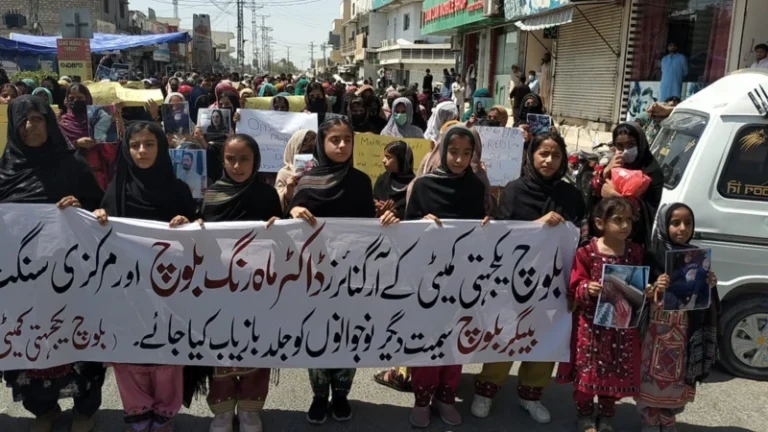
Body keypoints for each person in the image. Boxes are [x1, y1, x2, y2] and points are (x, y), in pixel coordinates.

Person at [0, 96, 105, 432]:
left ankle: (85, 411)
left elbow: (99, 207)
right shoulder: (6, 169)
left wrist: (82, 205)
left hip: (71, 277)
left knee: (79, 343)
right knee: (30, 342)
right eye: (23, 121)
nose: (31, 127)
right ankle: (43, 410)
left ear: (49, 121)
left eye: (38, 119)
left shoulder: (72, 164)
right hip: (24, 284)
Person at [287, 118, 397, 425]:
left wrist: (386, 216)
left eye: (347, 139)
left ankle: (341, 395)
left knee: (348, 334)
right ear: (322, 143)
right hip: (315, 275)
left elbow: (367, 227)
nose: (341, 145)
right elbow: (289, 230)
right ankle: (319, 396)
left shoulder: (361, 181)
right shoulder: (307, 182)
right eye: (334, 139)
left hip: (352, 274)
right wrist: (293, 209)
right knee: (318, 333)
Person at [472, 133, 585, 423]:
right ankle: (486, 391)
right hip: (514, 283)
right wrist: (539, 224)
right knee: (505, 335)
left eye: (556, 155)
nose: (548, 160)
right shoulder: (514, 191)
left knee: (544, 339)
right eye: (543, 154)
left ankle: (530, 396)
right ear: (531, 156)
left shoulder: (571, 195)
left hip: (554, 286)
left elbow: (582, 238)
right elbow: (504, 236)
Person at [93, 121, 196, 432]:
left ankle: (165, 414)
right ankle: (137, 414)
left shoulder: (178, 191)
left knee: (166, 355)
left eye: (149, 144)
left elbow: (195, 242)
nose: (141, 151)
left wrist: (186, 223)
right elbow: (101, 239)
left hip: (168, 291)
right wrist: (95, 218)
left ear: (161, 148)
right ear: (126, 149)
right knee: (130, 356)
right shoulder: (116, 190)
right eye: (135, 145)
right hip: (127, 290)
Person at [192, 134, 282, 432]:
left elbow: (282, 244)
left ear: (256, 161)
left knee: (255, 346)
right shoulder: (212, 195)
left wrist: (277, 228)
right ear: (222, 160)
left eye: (245, 159)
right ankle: (221, 410)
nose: (237, 165)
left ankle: (249, 410)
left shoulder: (268, 196)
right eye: (231, 158)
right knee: (220, 350)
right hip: (219, 290)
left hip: (258, 289)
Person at [405, 125, 490, 428]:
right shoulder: (425, 185)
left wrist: (487, 226)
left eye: (466, 153)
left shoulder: (477, 188)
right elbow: (408, 226)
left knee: (456, 338)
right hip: (429, 279)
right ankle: (422, 399)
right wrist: (421, 221)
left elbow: (483, 230)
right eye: (453, 152)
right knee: (427, 338)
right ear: (442, 151)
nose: (458, 159)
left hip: (463, 279)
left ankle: (446, 396)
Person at [557, 197, 650, 432]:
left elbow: (638, 285)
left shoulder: (636, 252)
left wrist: (646, 289)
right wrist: (587, 288)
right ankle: (586, 416)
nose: (625, 226)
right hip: (591, 327)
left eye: (629, 220)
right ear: (600, 222)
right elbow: (574, 285)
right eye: (618, 220)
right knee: (588, 373)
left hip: (622, 328)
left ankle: (607, 416)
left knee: (615, 374)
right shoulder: (587, 252)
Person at [636, 203, 719, 432]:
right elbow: (638, 292)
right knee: (650, 376)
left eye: (688, 223)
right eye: (675, 223)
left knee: (678, 377)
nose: (682, 228)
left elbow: (704, 301)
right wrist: (655, 288)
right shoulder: (652, 255)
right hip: (655, 334)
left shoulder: (696, 256)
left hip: (684, 333)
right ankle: (650, 419)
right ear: (664, 225)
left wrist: (710, 285)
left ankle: (668, 417)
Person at [590, 122, 663, 247]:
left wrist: (614, 195)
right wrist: (604, 173)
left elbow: (650, 210)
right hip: (607, 239)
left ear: (641, 144)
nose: (625, 151)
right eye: (620, 146)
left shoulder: (652, 171)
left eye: (631, 145)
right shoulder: (613, 165)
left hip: (635, 242)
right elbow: (591, 195)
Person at [61, 83, 122, 190]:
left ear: (88, 99)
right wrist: (76, 143)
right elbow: (57, 149)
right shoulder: (62, 123)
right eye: (71, 98)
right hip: (72, 177)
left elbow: (111, 150)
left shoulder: (99, 118)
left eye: (80, 97)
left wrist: (110, 129)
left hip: (98, 176)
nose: (75, 101)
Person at [275, 129, 316, 210]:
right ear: (294, 149)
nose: (309, 156)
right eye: (305, 152)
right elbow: (277, 205)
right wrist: (289, 189)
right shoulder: (284, 173)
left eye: (313, 152)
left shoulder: (322, 170)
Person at [373, 140, 415, 218]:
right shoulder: (383, 181)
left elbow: (416, 213)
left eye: (388, 157)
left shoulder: (415, 185)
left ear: (401, 160)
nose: (383, 161)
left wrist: (396, 214)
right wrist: (377, 207)